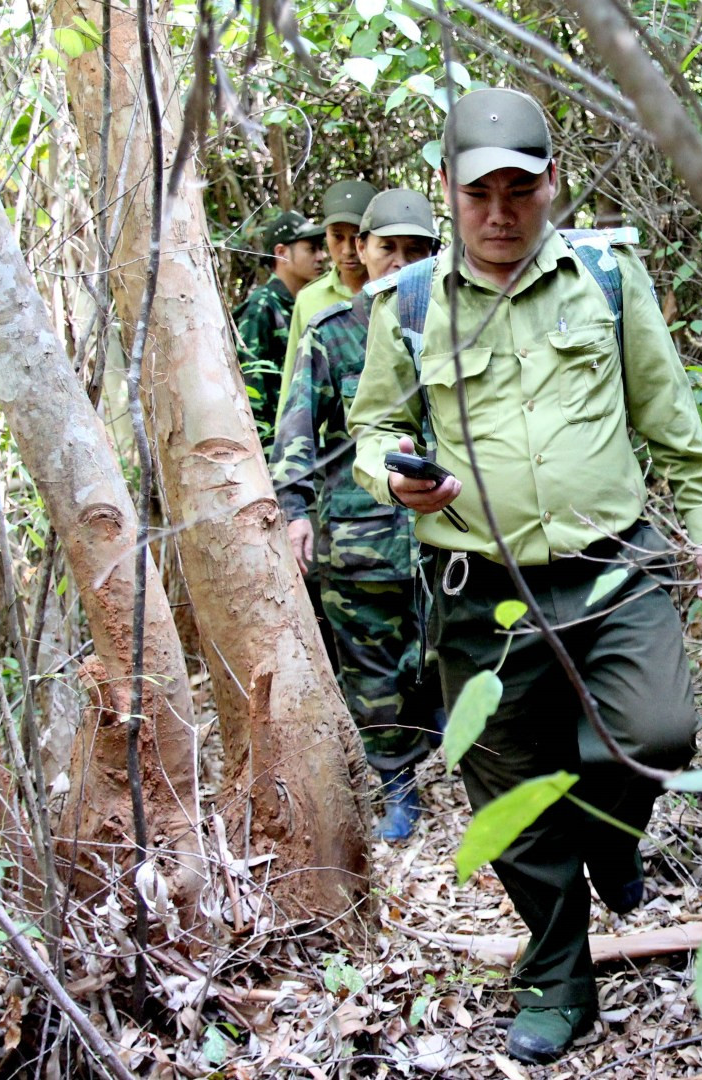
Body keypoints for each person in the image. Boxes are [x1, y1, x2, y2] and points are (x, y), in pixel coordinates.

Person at [347, 87, 702, 1064]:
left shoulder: (604, 277)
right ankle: (558, 976)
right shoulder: (409, 303)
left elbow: (667, 414)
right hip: (478, 590)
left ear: (551, 183)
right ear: (446, 190)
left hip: (612, 569)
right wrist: (395, 476)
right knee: (512, 794)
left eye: (519, 190)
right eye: (478, 193)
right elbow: (373, 427)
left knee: (655, 733)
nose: (499, 213)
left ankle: (610, 834)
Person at [271, 189, 444, 842]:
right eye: (387, 248)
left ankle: (447, 747)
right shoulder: (331, 332)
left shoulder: (456, 324)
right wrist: (294, 511)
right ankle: (397, 784)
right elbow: (296, 431)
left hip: (445, 537)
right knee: (371, 676)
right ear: (362, 252)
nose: (399, 263)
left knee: (438, 657)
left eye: (415, 251)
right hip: (358, 539)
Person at [276, 179, 379, 433]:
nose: (348, 250)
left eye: (356, 237)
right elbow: (293, 384)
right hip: (331, 445)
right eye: (337, 237)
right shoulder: (310, 299)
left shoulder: (392, 292)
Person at [233, 208, 324, 444]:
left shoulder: (305, 305)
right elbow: (251, 388)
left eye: (321, 248)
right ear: (281, 253)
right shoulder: (262, 307)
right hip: (274, 443)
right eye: (311, 249)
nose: (321, 256)